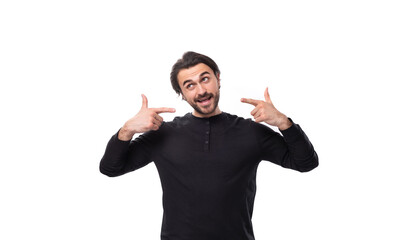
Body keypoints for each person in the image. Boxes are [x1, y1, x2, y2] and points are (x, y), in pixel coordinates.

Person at [100, 51, 319, 240]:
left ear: (218, 78)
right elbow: (111, 168)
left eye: (205, 79)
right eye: (190, 85)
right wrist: (127, 130)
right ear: (182, 94)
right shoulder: (163, 134)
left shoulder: (250, 132)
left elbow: (306, 163)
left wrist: (283, 122)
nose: (201, 91)